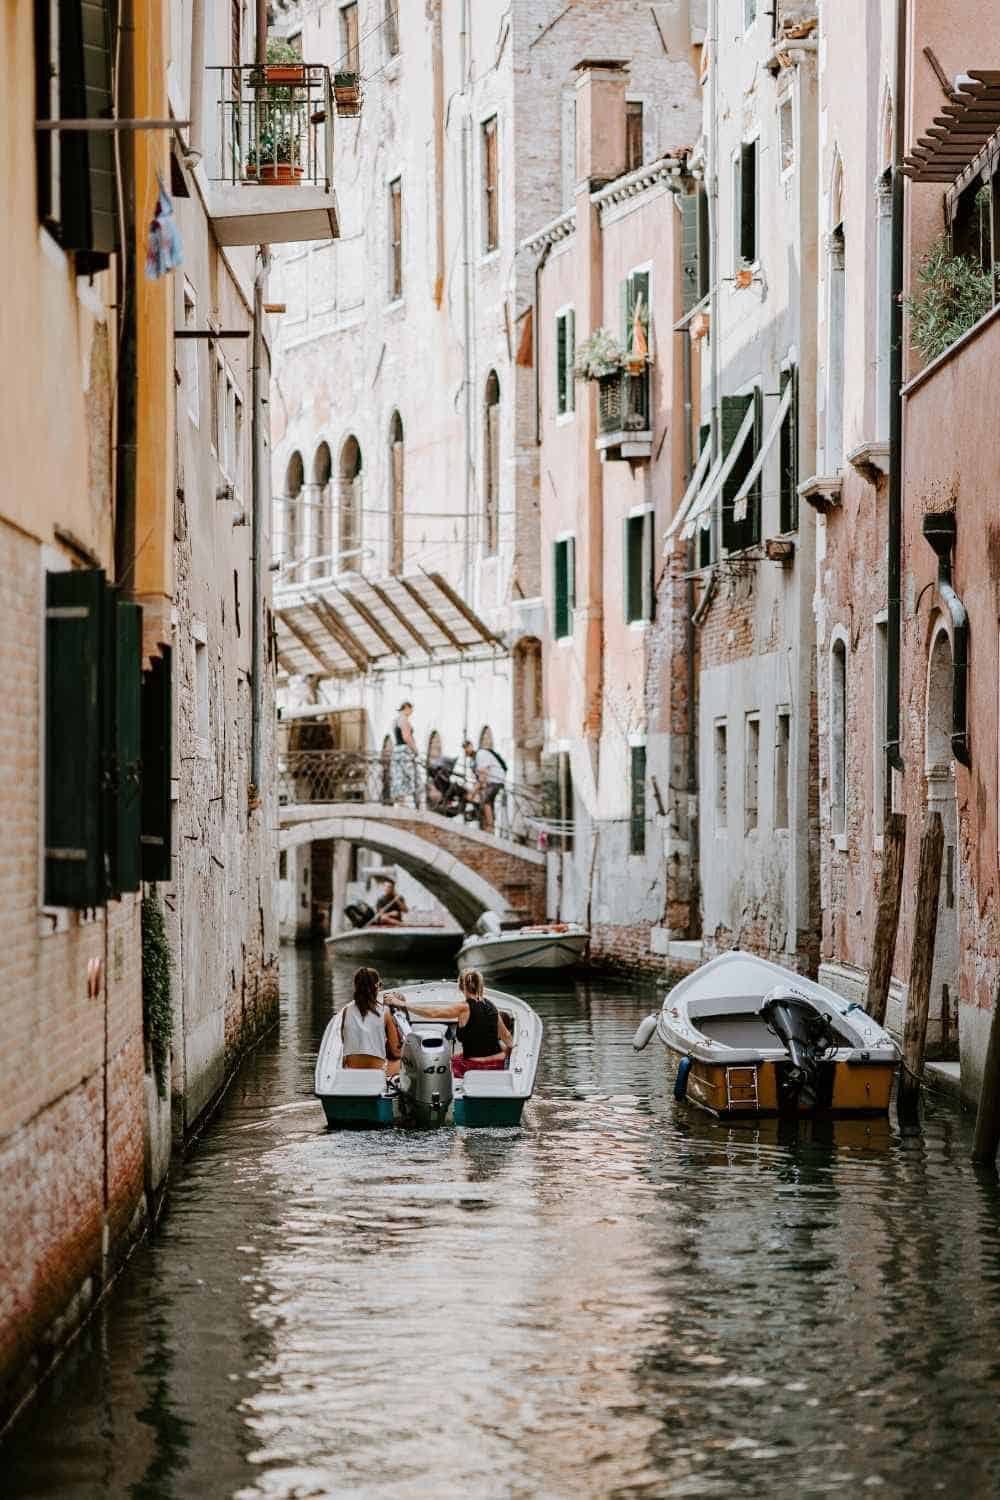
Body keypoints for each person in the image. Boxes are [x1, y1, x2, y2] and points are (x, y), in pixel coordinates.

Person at [389, 969, 512, 1079]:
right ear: (480, 985)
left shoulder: (464, 1007)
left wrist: (403, 1004)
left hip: (473, 1066)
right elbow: (507, 1038)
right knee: (455, 1058)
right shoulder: (492, 1006)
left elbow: (433, 1013)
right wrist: (508, 1059)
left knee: (437, 1069)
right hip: (497, 1064)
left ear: (460, 987)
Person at [341, 966, 402, 1076]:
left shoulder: (346, 1011)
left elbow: (344, 1040)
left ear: (355, 986)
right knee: (403, 1062)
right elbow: (396, 1052)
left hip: (351, 1070)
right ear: (377, 986)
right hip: (377, 1073)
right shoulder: (385, 1012)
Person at [464, 737, 507, 834]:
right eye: (464, 748)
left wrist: (473, 792)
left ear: (471, 746)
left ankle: (490, 827)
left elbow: (483, 776)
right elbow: (479, 778)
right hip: (490, 782)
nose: (466, 750)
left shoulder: (481, 754)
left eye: (467, 747)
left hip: (496, 780)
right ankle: (487, 824)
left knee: (485, 801)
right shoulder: (474, 760)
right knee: (485, 801)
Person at [389, 702, 418, 806]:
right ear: (406, 707)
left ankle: (399, 802)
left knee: (398, 776)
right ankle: (407, 802)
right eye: (411, 709)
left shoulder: (395, 720)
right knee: (408, 776)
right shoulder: (404, 720)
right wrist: (415, 750)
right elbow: (406, 737)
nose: (412, 712)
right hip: (404, 750)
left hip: (397, 750)